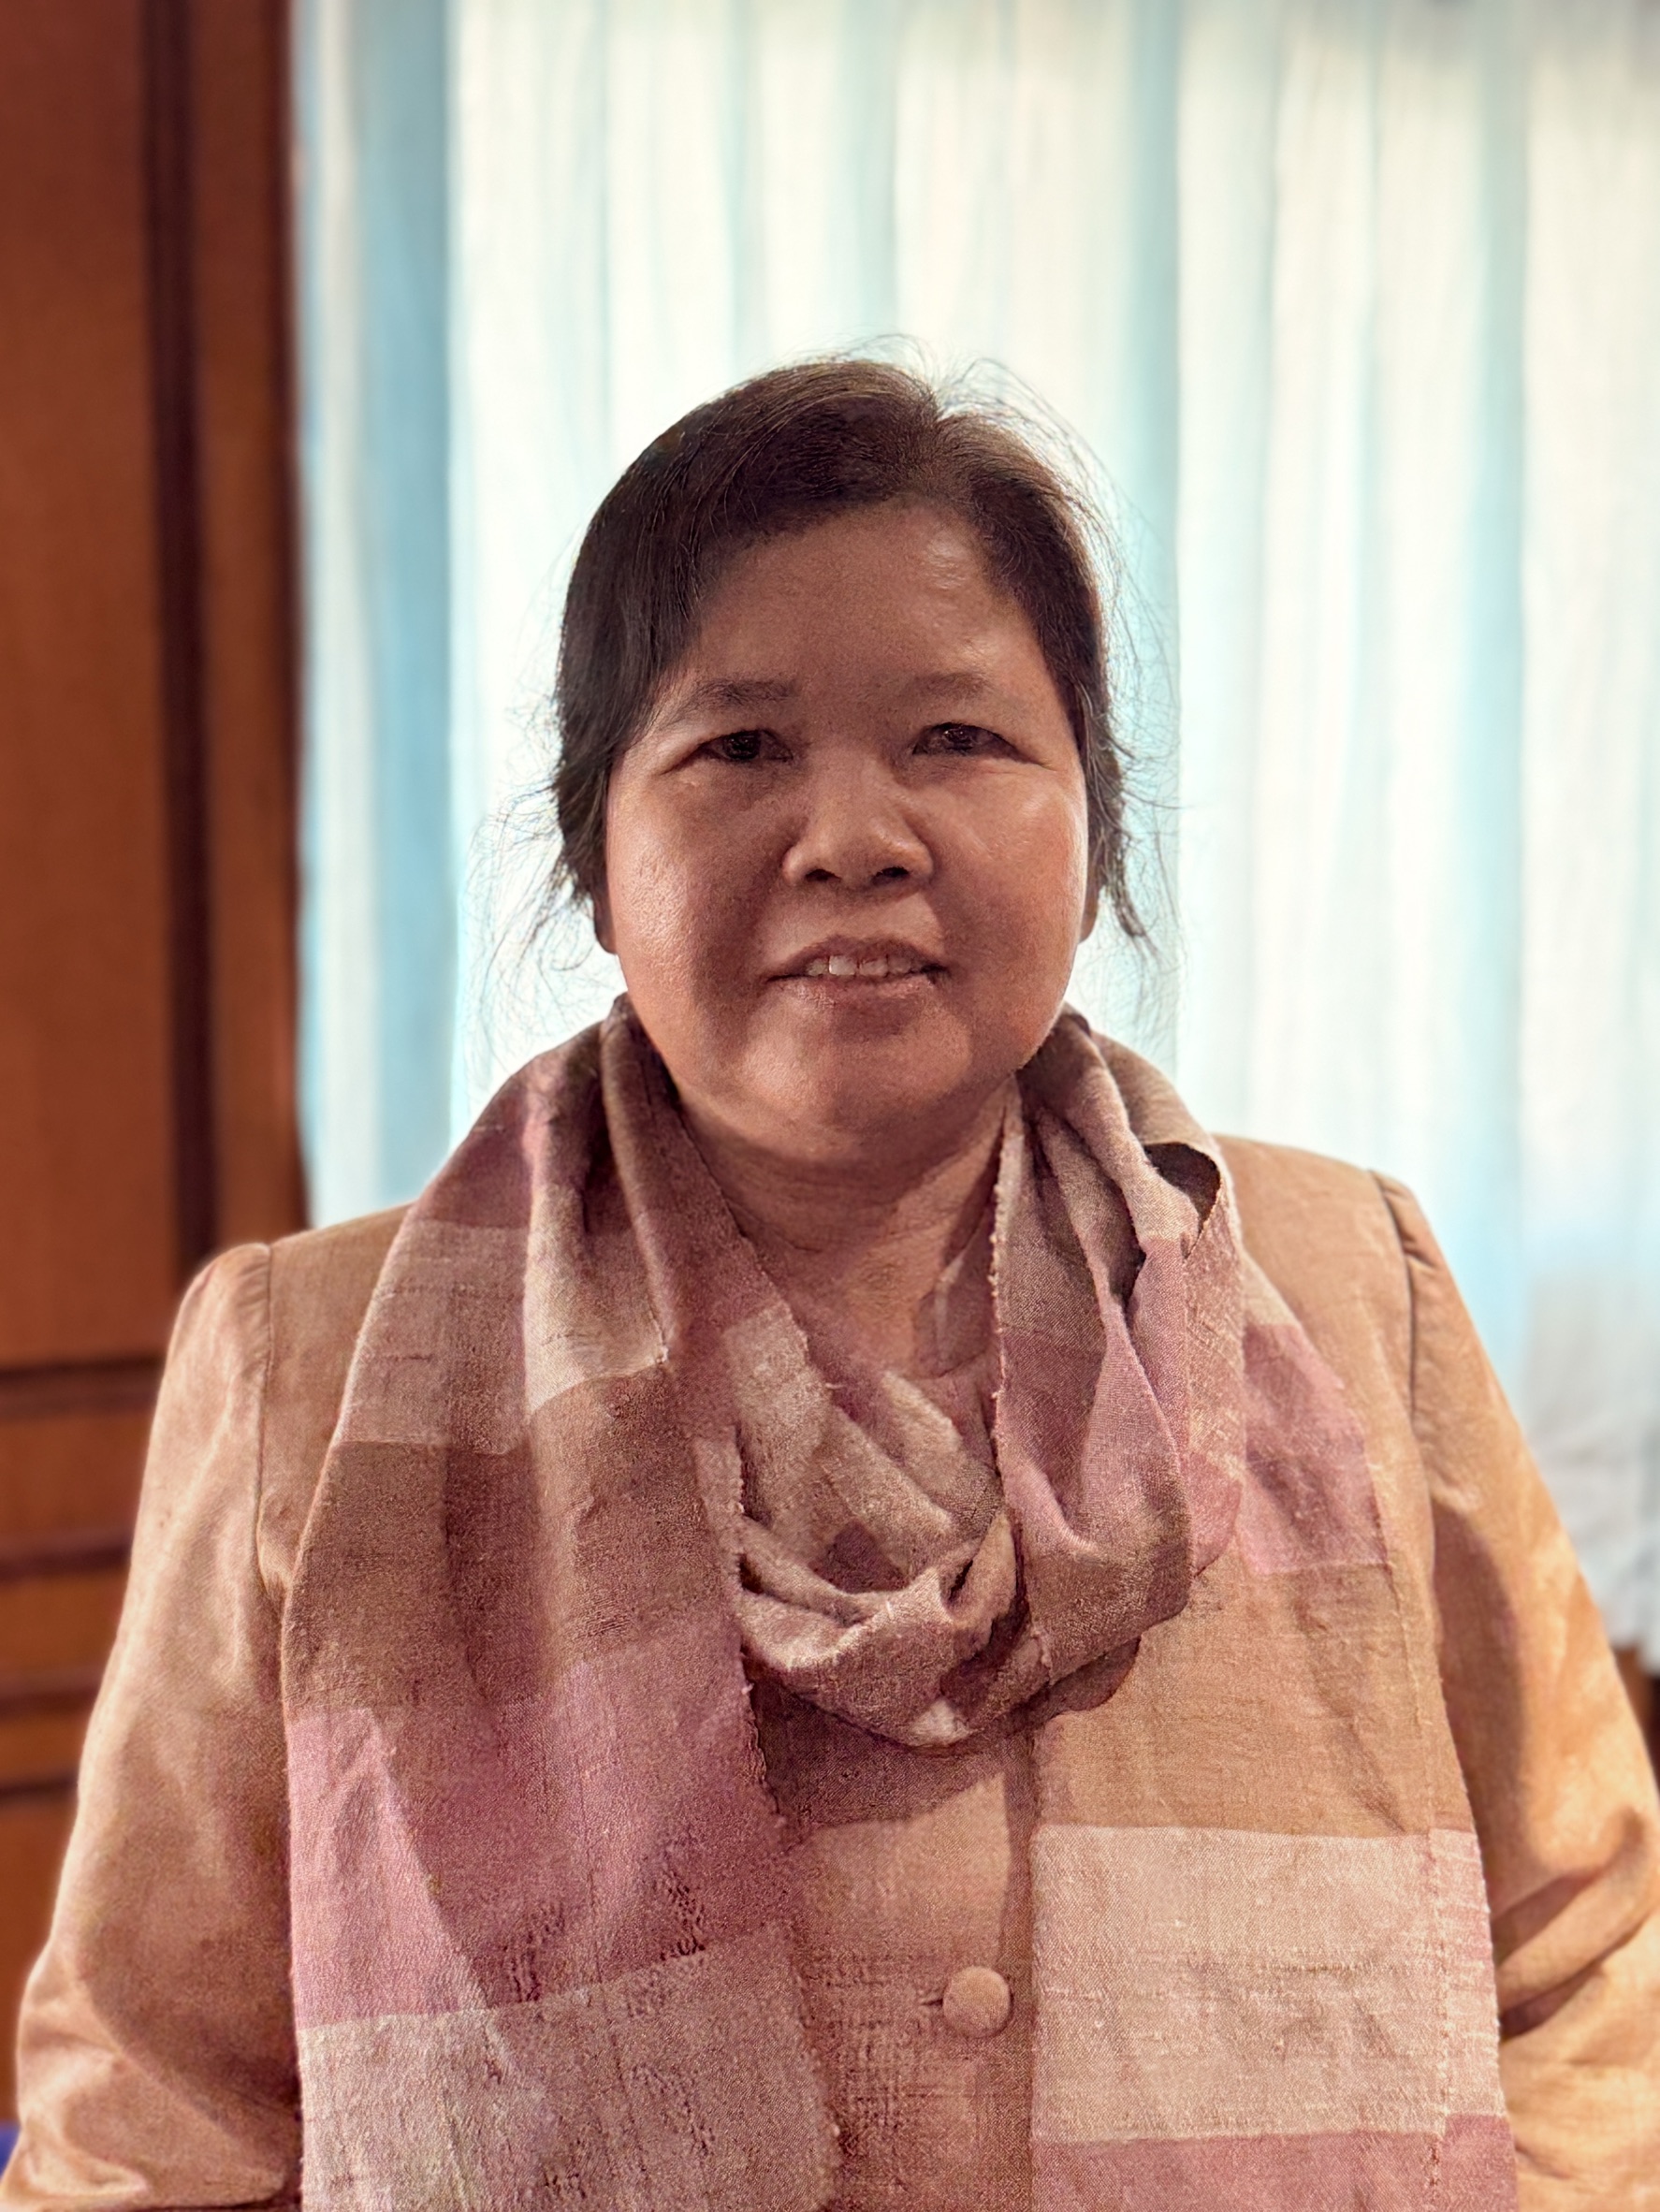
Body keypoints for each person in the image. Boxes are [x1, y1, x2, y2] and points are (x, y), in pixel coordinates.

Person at [5, 361, 1657, 2212]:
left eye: (957, 738)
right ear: (595, 857)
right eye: (739, 748)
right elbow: (151, 2110)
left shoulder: (1354, 1287)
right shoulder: (308, 1368)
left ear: (1091, 835)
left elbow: (1590, 1957)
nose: (855, 835)